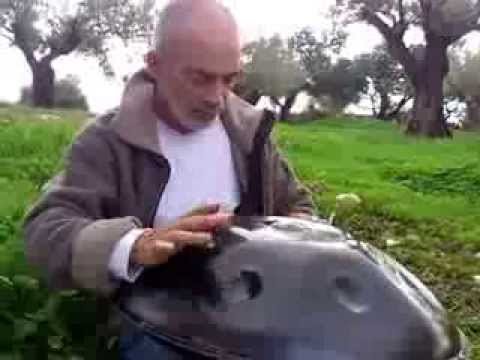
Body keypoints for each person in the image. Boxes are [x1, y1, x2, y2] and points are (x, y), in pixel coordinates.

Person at [23, 0, 315, 358]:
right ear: (155, 66)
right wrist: (135, 245)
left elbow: (297, 204)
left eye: (229, 78)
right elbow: (45, 228)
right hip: (158, 322)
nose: (216, 98)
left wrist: (298, 230)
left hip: (253, 313)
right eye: (199, 77)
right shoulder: (108, 141)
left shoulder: (250, 133)